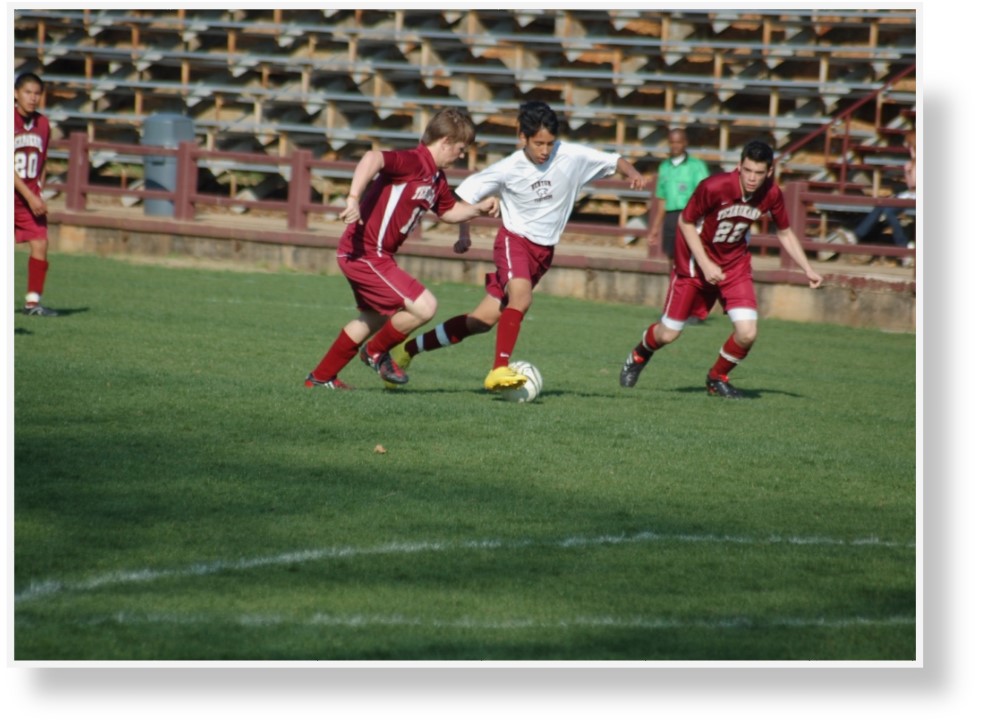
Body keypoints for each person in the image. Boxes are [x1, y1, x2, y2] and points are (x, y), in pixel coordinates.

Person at [391, 100, 648, 392]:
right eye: (538, 143)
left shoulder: (571, 156)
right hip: (514, 242)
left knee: (481, 321)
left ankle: (407, 350)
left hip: (543, 253)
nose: (545, 150)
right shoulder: (508, 168)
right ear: (522, 137)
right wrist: (464, 234)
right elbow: (467, 196)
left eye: (550, 143)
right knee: (522, 299)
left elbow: (615, 160)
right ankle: (499, 369)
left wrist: (632, 173)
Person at [304, 108, 498, 390]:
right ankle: (374, 353)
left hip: (375, 255)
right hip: (365, 253)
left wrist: (477, 210)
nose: (461, 155)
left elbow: (449, 211)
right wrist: (353, 197)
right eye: (460, 149)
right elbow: (373, 158)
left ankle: (320, 379)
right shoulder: (413, 161)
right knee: (425, 306)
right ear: (445, 142)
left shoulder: (436, 177)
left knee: (372, 319)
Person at [619, 140, 823, 399]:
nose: (752, 178)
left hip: (734, 265)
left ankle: (717, 378)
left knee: (747, 333)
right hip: (694, 266)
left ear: (770, 172)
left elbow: (784, 232)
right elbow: (685, 222)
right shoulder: (714, 186)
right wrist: (705, 263)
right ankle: (639, 354)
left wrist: (808, 269)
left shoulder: (771, 193)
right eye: (747, 170)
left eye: (759, 173)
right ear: (739, 166)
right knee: (668, 334)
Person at [14, 72, 58, 316]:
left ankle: (33, 303)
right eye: (27, 92)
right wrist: (30, 196)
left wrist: (38, 191)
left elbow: (43, 159)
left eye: (37, 93)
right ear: (15, 94)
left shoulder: (42, 123)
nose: (32, 98)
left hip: (28, 198)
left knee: (40, 242)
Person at [646, 128, 710, 258]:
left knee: (689, 255)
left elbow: (705, 193)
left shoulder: (696, 166)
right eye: (672, 142)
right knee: (671, 255)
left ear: (685, 143)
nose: (675, 146)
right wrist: (655, 228)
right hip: (671, 217)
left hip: (689, 216)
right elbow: (662, 200)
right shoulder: (664, 167)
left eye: (678, 142)